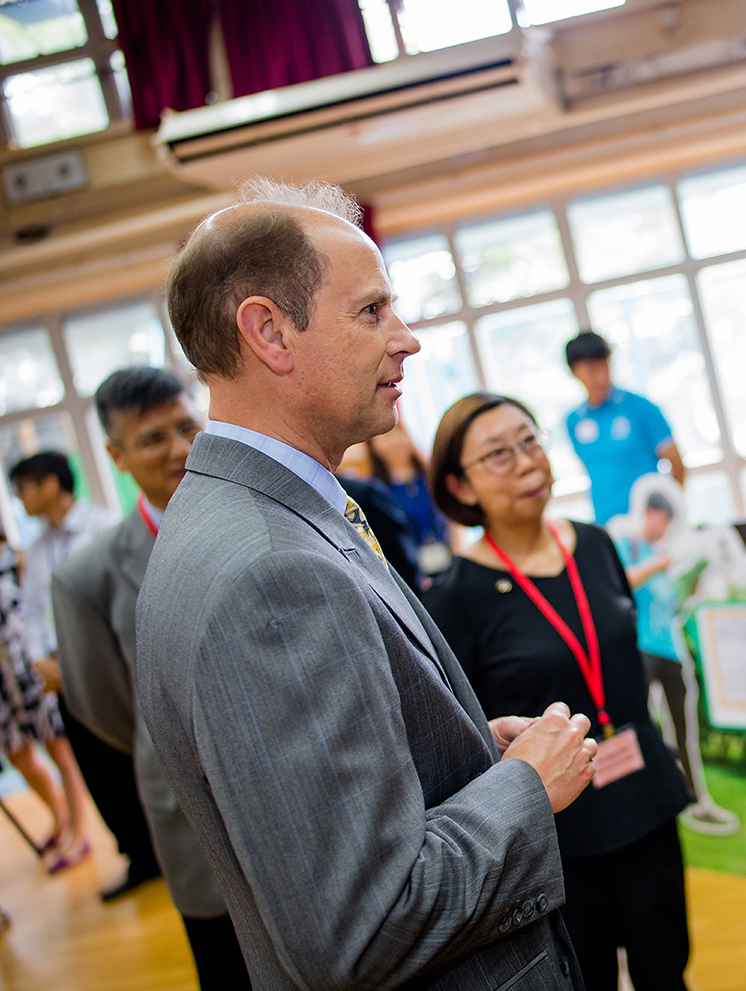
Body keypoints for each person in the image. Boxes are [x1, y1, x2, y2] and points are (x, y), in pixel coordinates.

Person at [135, 178, 597, 991]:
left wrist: (463, 751)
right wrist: (525, 789)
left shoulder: (244, 514)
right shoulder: (270, 571)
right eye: (372, 312)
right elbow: (363, 920)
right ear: (269, 332)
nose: (407, 339)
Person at [424, 393, 691, 991]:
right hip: (553, 829)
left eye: (529, 440)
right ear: (460, 487)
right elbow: (465, 734)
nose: (525, 461)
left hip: (642, 794)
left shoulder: (595, 544)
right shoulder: (455, 594)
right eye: (497, 454)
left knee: (666, 965)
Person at [52, 367, 251, 989]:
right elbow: (104, 706)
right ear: (115, 455)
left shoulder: (259, 517)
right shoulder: (89, 577)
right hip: (194, 812)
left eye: (186, 427)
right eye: (151, 439)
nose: (178, 449)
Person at [10, 450, 146, 884]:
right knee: (95, 769)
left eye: (25, 487)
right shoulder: (36, 549)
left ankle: (160, 848)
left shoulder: (103, 527)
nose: (20, 498)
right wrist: (40, 660)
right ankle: (136, 854)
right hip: (61, 678)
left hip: (111, 668)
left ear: (51, 483)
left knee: (131, 761)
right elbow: (31, 613)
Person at [611, 475, 738, 836]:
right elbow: (620, 583)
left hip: (672, 650)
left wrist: (691, 581)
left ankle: (696, 799)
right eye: (663, 518)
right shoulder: (627, 544)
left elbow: (674, 604)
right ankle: (650, 798)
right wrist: (658, 566)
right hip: (641, 649)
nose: (665, 527)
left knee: (683, 729)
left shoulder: (663, 556)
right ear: (651, 513)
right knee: (641, 727)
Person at [0, 526, 93, 874]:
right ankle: (60, 815)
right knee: (18, 753)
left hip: (29, 670)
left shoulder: (19, 561)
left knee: (58, 748)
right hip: (1, 679)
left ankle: (80, 833)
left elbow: (38, 612)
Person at [563, 332, 685, 524]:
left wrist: (668, 514)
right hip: (607, 527)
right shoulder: (573, 421)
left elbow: (677, 464)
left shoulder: (641, 408)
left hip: (650, 526)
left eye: (606, 365)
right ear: (574, 372)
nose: (602, 377)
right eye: (592, 370)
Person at [367, 420, 452, 575]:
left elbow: (450, 518)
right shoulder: (378, 491)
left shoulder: (430, 477)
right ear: (374, 447)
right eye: (386, 437)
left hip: (449, 558)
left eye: (400, 434)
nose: (396, 442)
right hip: (412, 571)